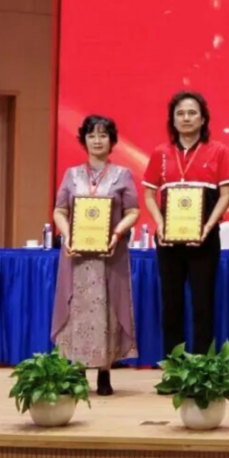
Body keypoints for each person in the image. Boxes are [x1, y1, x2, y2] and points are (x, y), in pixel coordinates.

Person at [142, 91, 229, 360]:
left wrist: (208, 226)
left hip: (205, 238)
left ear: (203, 119)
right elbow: (148, 194)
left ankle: (202, 368)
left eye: (192, 113)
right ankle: (174, 366)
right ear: (172, 120)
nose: (186, 118)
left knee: (203, 303)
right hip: (168, 240)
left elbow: (226, 194)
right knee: (171, 303)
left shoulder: (218, 150)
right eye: (180, 113)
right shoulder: (160, 153)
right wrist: (159, 224)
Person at [51, 115, 140, 396]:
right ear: (84, 140)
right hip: (77, 255)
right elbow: (60, 210)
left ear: (112, 141)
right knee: (77, 310)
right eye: (91, 135)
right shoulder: (71, 174)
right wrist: (67, 235)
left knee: (107, 311)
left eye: (103, 135)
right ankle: (77, 371)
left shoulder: (122, 174)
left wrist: (117, 233)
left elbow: (133, 211)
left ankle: (104, 372)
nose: (97, 140)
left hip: (109, 255)